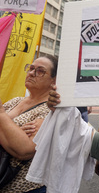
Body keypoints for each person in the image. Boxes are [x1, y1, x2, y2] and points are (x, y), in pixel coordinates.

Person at [0, 55, 58, 193]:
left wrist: (2, 115)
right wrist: (16, 131)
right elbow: (14, 139)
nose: (31, 73)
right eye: (31, 68)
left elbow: (24, 149)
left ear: (53, 81)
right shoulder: (16, 101)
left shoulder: (50, 111)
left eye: (40, 71)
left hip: (25, 188)